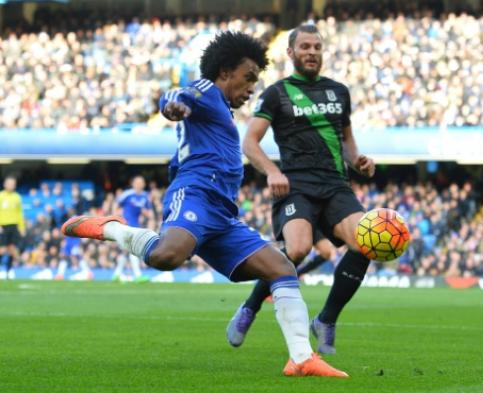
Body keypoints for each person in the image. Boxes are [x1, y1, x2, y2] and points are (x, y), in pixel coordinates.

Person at [62, 31, 347, 377]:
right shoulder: (207, 92)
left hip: (223, 213)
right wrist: (172, 106)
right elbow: (178, 94)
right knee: (167, 256)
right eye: (248, 78)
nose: (251, 87)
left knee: (282, 269)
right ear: (225, 72)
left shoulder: (222, 108)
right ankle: (112, 229)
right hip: (195, 193)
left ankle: (301, 358)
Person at [226, 24, 375, 355]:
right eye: (305, 46)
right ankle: (251, 306)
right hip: (296, 187)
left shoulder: (339, 92)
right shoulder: (277, 94)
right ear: (291, 52)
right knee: (296, 250)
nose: (311, 52)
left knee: (367, 244)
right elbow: (249, 142)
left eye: (317, 47)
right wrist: (272, 171)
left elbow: (347, 141)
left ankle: (326, 319)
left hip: (336, 185)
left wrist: (358, 160)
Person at [112, 175, 152, 282]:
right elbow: (116, 204)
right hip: (126, 225)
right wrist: (115, 217)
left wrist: (147, 215)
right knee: (132, 250)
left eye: (142, 182)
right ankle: (138, 275)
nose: (140, 184)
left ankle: (116, 274)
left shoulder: (145, 196)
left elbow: (148, 211)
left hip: (136, 226)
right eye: (138, 182)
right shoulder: (127, 194)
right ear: (133, 184)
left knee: (126, 251)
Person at [0, 176, 25, 279]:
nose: (11, 185)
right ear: (5, 184)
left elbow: (19, 213)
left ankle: (9, 271)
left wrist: (22, 227)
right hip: (3, 226)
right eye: (9, 183)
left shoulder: (17, 197)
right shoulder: (0, 196)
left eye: (13, 183)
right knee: (2, 249)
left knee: (12, 249)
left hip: (14, 226)